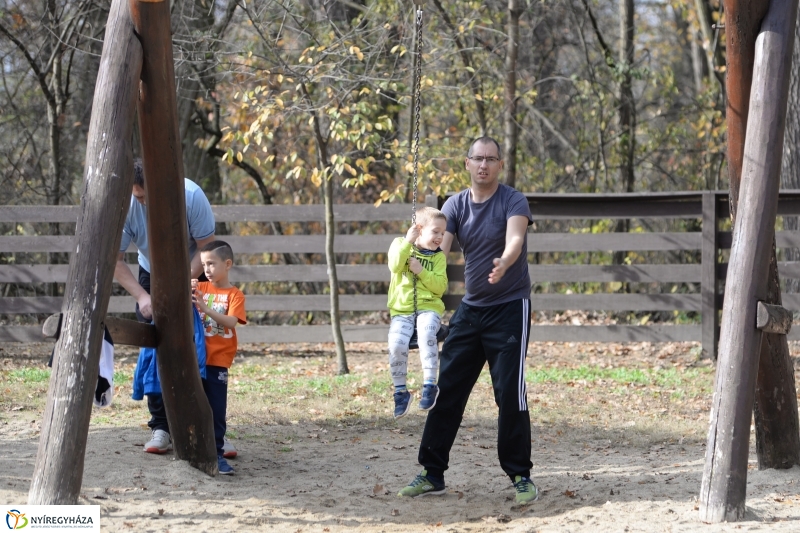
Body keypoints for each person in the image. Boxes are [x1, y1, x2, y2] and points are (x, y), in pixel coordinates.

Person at [398, 136, 538, 504]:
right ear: (467, 163)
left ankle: (520, 474)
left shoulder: (512, 200)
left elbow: (516, 238)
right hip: (471, 311)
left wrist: (506, 261)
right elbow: (439, 250)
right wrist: (417, 252)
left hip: (509, 308)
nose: (484, 165)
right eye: (478, 159)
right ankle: (432, 472)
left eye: (491, 159)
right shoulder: (455, 204)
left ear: (499, 165)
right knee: (448, 389)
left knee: (510, 391)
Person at [114, 158, 217, 454]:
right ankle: (160, 426)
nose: (141, 201)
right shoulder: (129, 204)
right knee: (155, 342)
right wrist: (142, 297)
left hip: (194, 267)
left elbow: (207, 246)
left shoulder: (192, 196)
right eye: (136, 196)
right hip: (151, 272)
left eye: (145, 196)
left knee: (203, 342)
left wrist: (183, 282)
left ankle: (210, 424)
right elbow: (115, 260)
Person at [192, 240, 247, 475]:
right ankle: (194, 450)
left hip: (218, 363)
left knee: (216, 409)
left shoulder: (235, 295)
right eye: (204, 264)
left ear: (227, 264)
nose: (207, 269)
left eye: (212, 264)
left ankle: (217, 454)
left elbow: (231, 322)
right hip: (197, 360)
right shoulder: (201, 288)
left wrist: (205, 309)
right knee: (194, 406)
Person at [387, 206, 448, 418]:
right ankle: (400, 392)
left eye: (443, 232)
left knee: (426, 333)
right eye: (435, 231)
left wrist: (421, 271)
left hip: (428, 307)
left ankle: (430, 385)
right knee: (396, 345)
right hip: (403, 309)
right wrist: (407, 242)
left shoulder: (438, 258)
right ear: (419, 230)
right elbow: (395, 266)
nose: (440, 237)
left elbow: (440, 287)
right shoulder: (400, 245)